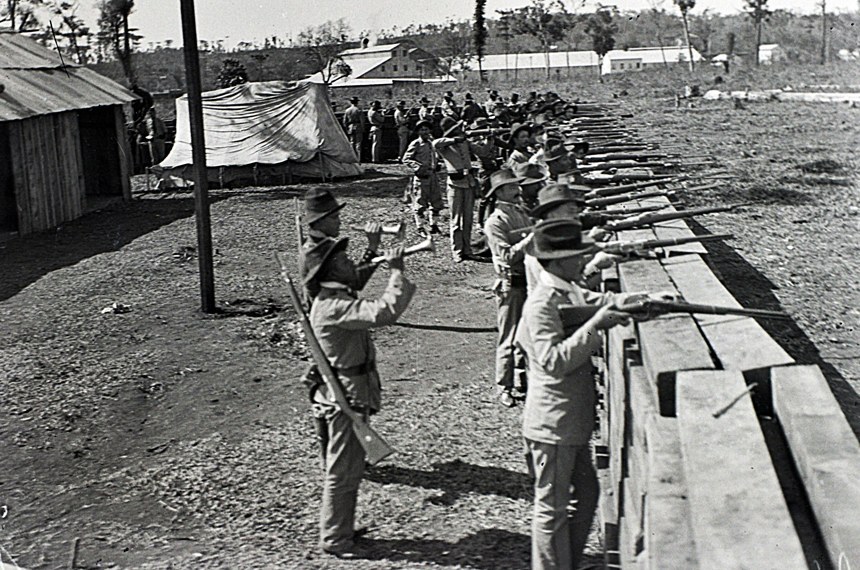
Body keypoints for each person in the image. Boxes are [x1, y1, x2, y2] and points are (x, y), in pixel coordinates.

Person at [515, 219, 657, 570]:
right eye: (576, 255)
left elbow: (604, 301)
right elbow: (553, 361)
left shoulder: (567, 291)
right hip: (553, 423)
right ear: (559, 262)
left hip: (568, 421)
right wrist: (596, 325)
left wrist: (647, 300)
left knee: (588, 493)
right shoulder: (542, 303)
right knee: (552, 508)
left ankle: (569, 563)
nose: (583, 259)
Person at [305, 238, 416, 559]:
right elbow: (385, 311)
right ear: (329, 270)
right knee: (342, 473)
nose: (348, 261)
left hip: (346, 395)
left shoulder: (335, 298)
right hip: (344, 401)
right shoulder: (334, 306)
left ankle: (341, 529)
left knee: (350, 469)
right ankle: (335, 539)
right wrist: (396, 272)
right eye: (341, 259)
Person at [483, 168, 534, 407]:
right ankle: (504, 386)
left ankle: (523, 379)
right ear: (501, 191)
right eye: (513, 187)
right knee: (509, 337)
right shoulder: (495, 221)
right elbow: (506, 255)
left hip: (529, 282)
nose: (519, 190)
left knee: (529, 333)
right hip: (511, 283)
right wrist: (531, 239)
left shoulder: (521, 212)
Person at [301, 188, 381, 303]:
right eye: (334, 217)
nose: (339, 222)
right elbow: (357, 281)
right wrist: (373, 245)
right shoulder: (320, 251)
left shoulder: (313, 245)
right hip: (330, 315)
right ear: (319, 221)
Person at [433, 116, 492, 263]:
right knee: (456, 220)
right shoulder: (445, 145)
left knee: (467, 219)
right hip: (455, 184)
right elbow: (435, 144)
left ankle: (467, 250)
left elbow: (482, 151)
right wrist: (455, 140)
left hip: (469, 182)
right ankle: (457, 251)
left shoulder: (465, 142)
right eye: (456, 129)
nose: (460, 131)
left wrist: (489, 138)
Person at [403, 120, 443, 235]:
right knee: (420, 203)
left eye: (427, 129)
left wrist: (436, 164)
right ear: (418, 132)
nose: (425, 132)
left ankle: (433, 225)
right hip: (421, 178)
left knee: (436, 202)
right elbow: (406, 158)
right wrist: (418, 167)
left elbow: (435, 157)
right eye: (422, 130)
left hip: (433, 176)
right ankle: (420, 227)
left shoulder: (432, 143)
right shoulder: (416, 144)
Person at [343, 97, 364, 162]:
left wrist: (347, 128)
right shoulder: (358, 110)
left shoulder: (347, 110)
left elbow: (344, 121)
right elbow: (362, 120)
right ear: (357, 102)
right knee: (358, 143)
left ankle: (352, 158)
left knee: (352, 142)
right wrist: (363, 128)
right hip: (358, 126)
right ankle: (358, 159)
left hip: (350, 126)